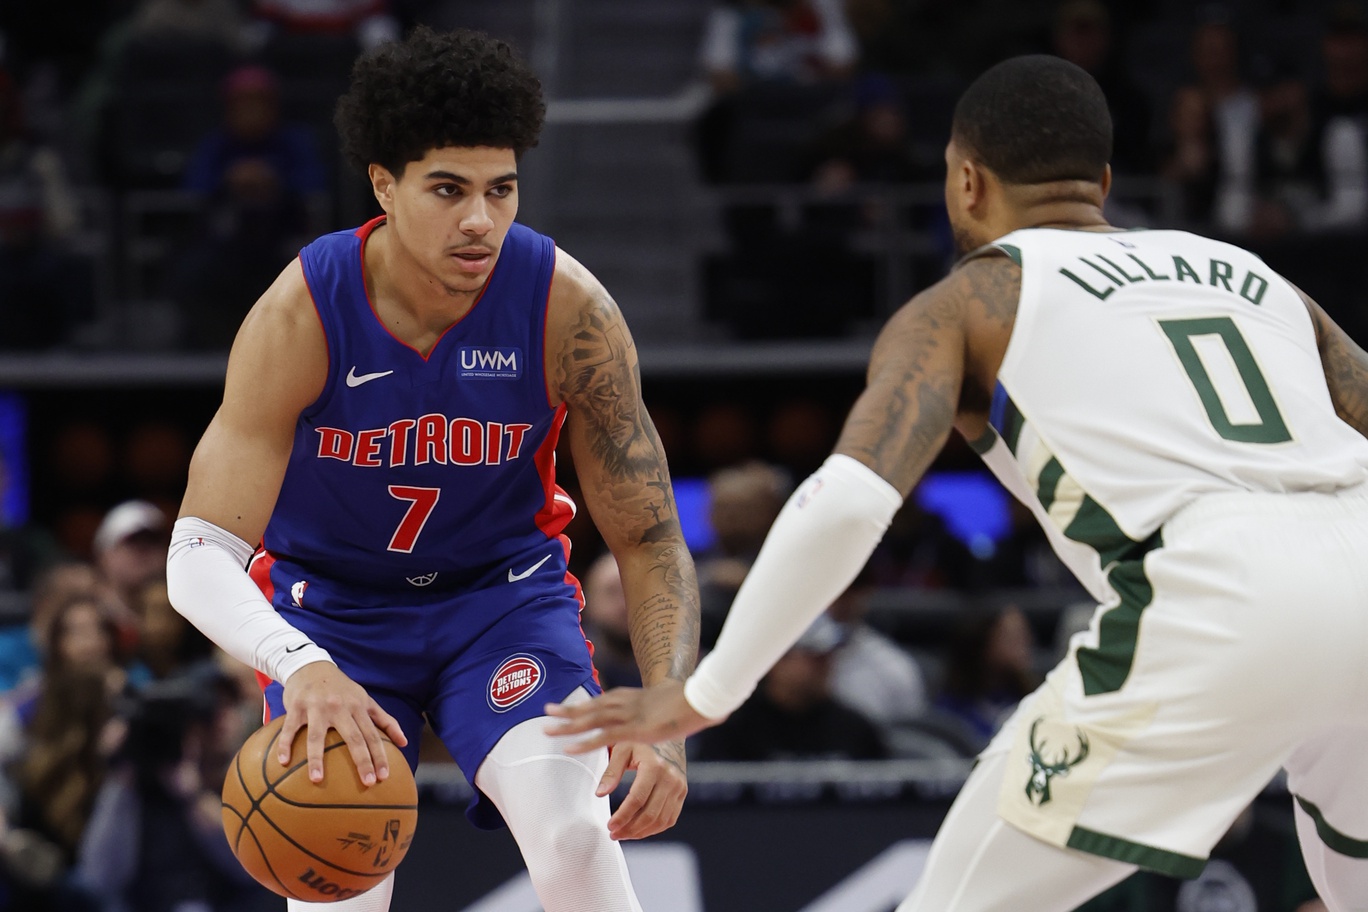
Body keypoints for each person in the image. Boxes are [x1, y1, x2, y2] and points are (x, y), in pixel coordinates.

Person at [549, 54, 1368, 912]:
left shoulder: (972, 300)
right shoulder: (1259, 280)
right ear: (1105, 182)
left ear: (968, 181)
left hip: (1223, 591)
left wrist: (708, 691)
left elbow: (852, 500)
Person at [165, 26, 699, 912]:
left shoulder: (569, 310)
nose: (480, 219)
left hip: (501, 601)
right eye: (448, 190)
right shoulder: (303, 313)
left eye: (501, 189)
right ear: (384, 184)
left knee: (574, 833)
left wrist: (668, 710)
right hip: (331, 611)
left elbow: (649, 537)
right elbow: (195, 553)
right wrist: (298, 664)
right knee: (338, 874)